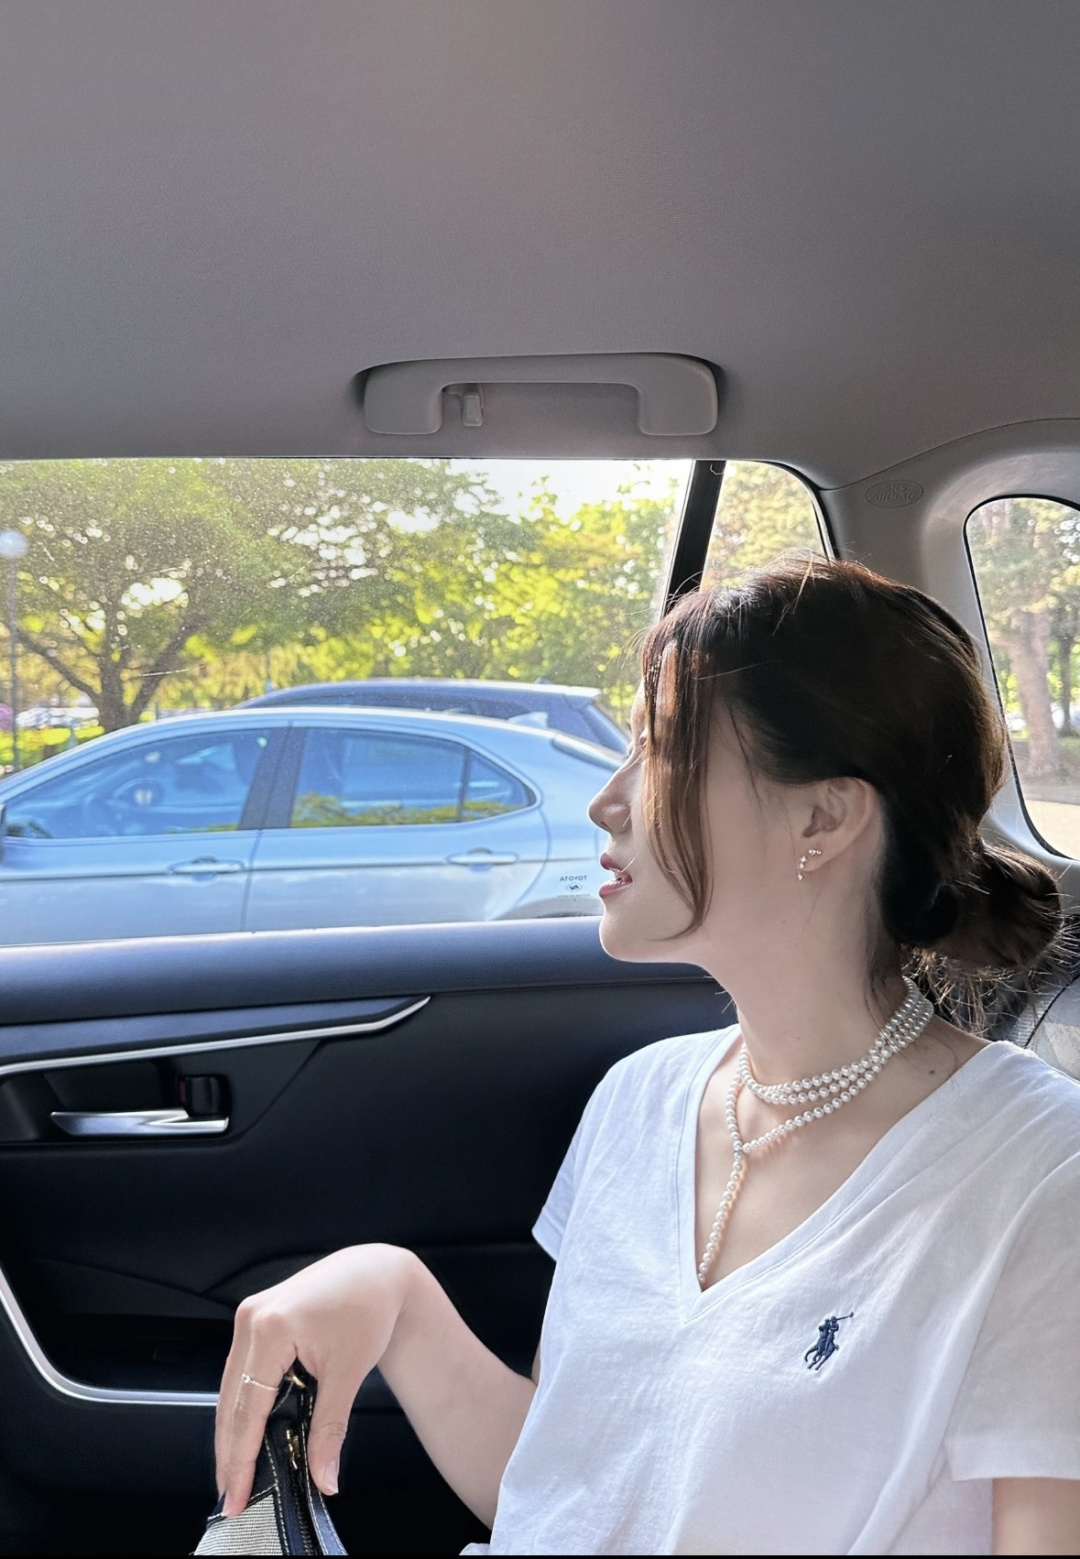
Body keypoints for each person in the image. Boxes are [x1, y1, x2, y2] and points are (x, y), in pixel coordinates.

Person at [214, 557, 1080, 1555]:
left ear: (824, 816)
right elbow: (571, 1492)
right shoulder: (640, 1098)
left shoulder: (1039, 1174)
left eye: (661, 749)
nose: (606, 799)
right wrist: (396, 1297)